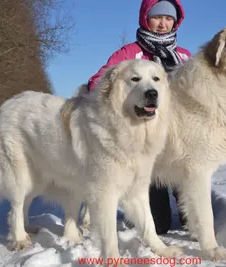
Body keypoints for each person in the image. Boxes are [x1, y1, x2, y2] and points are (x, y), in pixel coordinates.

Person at [87, 0, 192, 235]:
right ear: (146, 18)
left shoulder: (183, 56)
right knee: (160, 224)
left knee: (190, 219)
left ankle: (191, 215)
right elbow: (100, 80)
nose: (163, 24)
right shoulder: (128, 53)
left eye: (168, 19)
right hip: (146, 137)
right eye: (157, 17)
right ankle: (149, 217)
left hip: (178, 137)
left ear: (176, 22)